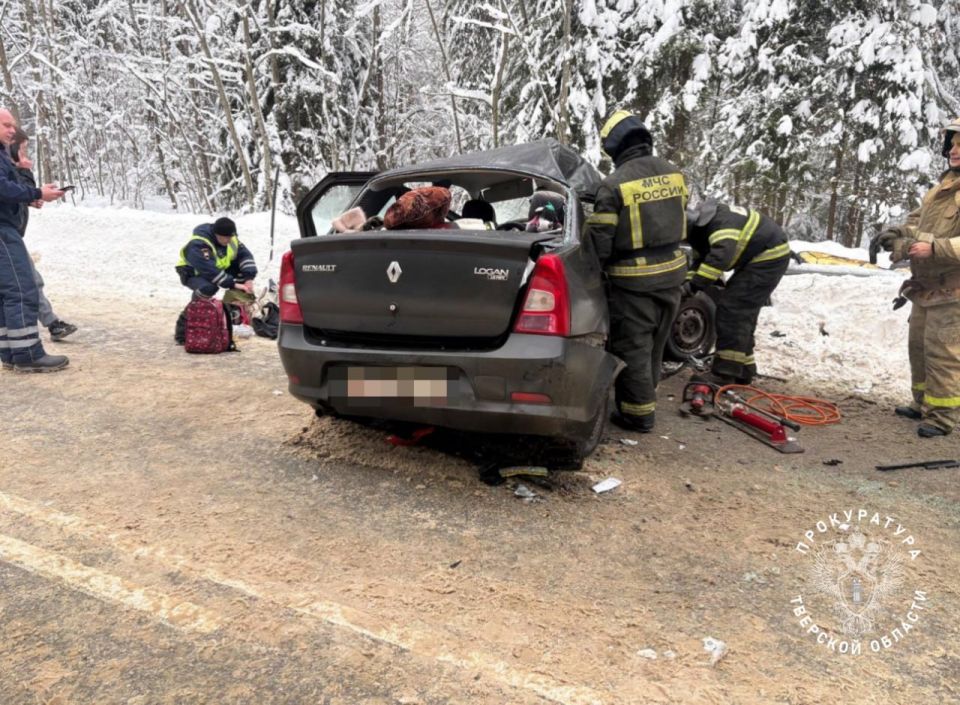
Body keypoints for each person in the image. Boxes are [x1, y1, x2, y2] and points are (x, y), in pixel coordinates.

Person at [584, 110, 689, 432]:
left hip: (634, 280)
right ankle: (646, 395)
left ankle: (638, 414)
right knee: (657, 341)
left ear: (614, 148)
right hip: (673, 272)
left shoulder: (613, 185)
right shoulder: (674, 174)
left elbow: (601, 239)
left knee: (634, 347)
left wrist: (592, 273)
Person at [872, 117, 960, 437]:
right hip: (926, 289)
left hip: (953, 292)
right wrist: (897, 236)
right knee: (919, 348)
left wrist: (934, 248)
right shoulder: (941, 189)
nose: (953, 149)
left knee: (943, 355)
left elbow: (936, 241)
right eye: (951, 142)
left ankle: (942, 417)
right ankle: (923, 404)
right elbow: (918, 226)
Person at [684, 199, 791, 385]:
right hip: (758, 257)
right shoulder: (702, 230)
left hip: (769, 258)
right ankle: (744, 369)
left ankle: (724, 373)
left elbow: (719, 259)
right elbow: (700, 263)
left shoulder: (720, 225)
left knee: (733, 310)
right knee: (742, 313)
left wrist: (692, 287)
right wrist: (686, 283)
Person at [0, 108, 66, 372]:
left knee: (7, 293)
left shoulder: (3, 155)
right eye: (6, 125)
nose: (12, 130)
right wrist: (36, 191)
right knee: (20, 288)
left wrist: (31, 195)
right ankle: (28, 353)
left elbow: (8, 188)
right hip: (3, 231)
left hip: (6, 227)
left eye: (13, 125)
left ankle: (11, 352)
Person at [9, 127, 77, 342]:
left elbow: (13, 193)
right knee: (28, 280)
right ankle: (49, 325)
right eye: (22, 150)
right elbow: (12, 190)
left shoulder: (10, 172)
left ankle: (52, 323)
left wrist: (29, 198)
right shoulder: (8, 171)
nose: (25, 156)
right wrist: (28, 178)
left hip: (11, 237)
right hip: (7, 239)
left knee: (29, 280)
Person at [174, 217, 257, 342]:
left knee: (243, 273)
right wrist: (234, 284)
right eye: (226, 238)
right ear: (216, 234)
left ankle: (233, 316)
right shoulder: (198, 244)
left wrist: (248, 278)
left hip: (216, 268)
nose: (229, 241)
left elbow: (245, 255)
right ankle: (183, 327)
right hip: (191, 272)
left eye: (231, 237)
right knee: (208, 288)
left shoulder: (231, 239)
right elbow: (210, 272)